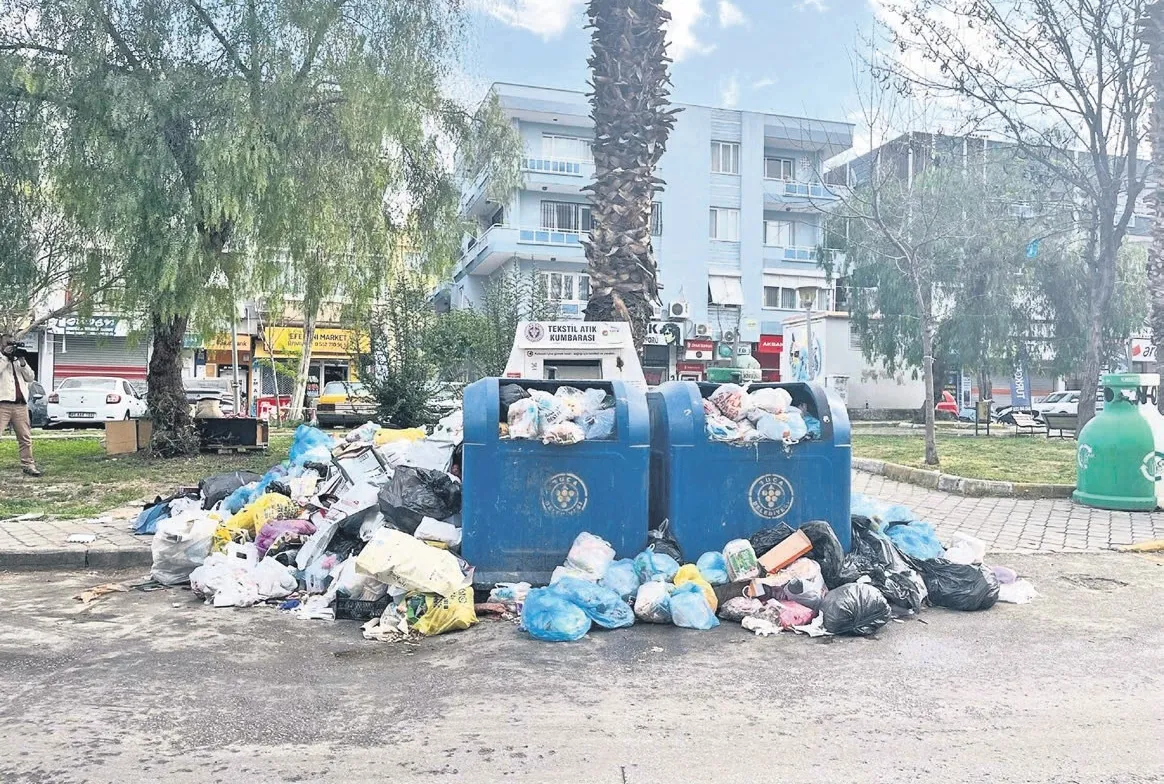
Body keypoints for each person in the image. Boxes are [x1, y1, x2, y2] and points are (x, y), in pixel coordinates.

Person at [0, 333, 41, 476]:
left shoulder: (18, 361)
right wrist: (5, 356)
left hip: (20, 405)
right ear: (2, 345)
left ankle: (28, 465)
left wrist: (22, 361)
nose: (12, 346)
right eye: (8, 344)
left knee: (25, 437)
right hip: (2, 404)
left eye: (13, 343)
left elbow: (30, 377)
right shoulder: (1, 359)